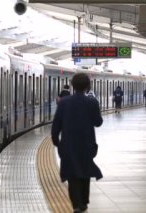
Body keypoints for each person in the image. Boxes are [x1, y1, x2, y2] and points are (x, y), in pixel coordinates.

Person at [51, 73, 103, 213]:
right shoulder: (92, 102)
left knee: (72, 175)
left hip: (68, 146)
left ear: (72, 86)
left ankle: (76, 205)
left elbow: (56, 125)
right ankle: (84, 202)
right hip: (87, 145)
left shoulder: (64, 103)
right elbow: (98, 122)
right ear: (88, 86)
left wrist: (57, 142)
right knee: (85, 173)